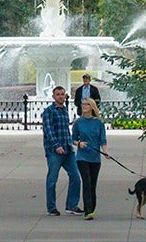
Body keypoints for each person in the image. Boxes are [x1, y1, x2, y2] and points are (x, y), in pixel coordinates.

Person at [40, 85, 79, 217]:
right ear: (53, 96)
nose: (61, 96)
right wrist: (56, 145)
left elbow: (65, 130)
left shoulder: (64, 110)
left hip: (67, 149)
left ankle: (71, 205)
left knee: (75, 176)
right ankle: (51, 207)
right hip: (54, 151)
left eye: (62, 94)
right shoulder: (49, 111)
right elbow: (48, 131)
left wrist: (71, 143)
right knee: (52, 179)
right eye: (58, 94)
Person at [71, 97, 108, 220]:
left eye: (86, 104)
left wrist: (106, 152)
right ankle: (87, 210)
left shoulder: (99, 123)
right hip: (82, 157)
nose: (84, 106)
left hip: (95, 158)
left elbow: (103, 140)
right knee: (86, 182)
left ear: (92, 107)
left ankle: (92, 207)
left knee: (93, 184)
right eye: (82, 104)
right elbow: (73, 139)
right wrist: (79, 143)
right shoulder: (78, 122)